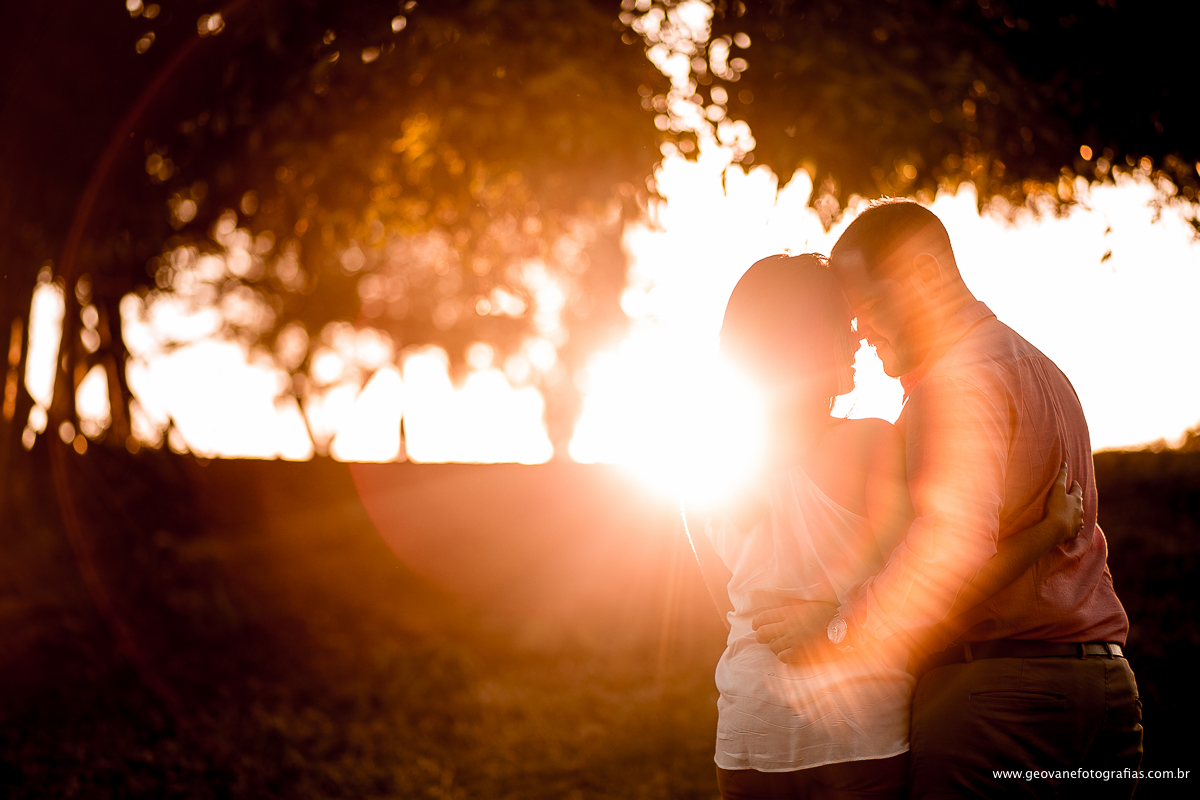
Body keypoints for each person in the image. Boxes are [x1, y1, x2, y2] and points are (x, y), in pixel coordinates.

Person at [753, 201, 1142, 798]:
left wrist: (840, 629)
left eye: (871, 308)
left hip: (998, 703)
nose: (861, 333)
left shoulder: (954, 383)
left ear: (927, 276)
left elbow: (947, 549)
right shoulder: (1038, 367)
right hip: (1106, 690)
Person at [684, 253, 1085, 800]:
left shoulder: (702, 477)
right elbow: (935, 580)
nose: (856, 342)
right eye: (843, 326)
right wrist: (1047, 530)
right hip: (859, 728)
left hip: (748, 731)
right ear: (805, 339)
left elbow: (730, 611)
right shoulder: (870, 443)